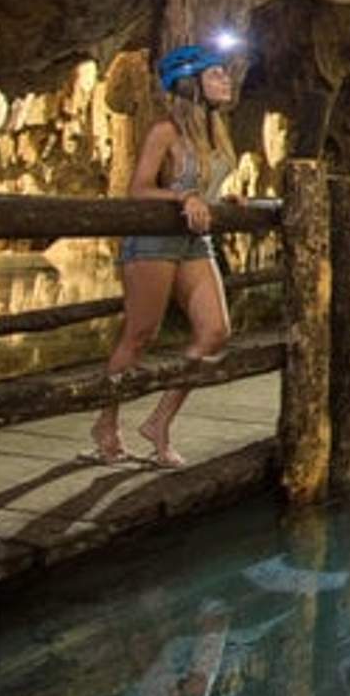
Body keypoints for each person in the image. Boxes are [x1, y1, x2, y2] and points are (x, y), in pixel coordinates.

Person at [90, 39, 242, 467]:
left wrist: (221, 200)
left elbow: (205, 186)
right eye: (216, 74)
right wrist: (183, 197)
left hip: (194, 241)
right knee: (140, 334)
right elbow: (138, 188)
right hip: (154, 240)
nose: (226, 80)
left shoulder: (216, 131)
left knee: (215, 332)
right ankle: (106, 423)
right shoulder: (165, 131)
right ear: (190, 83)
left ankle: (158, 422)